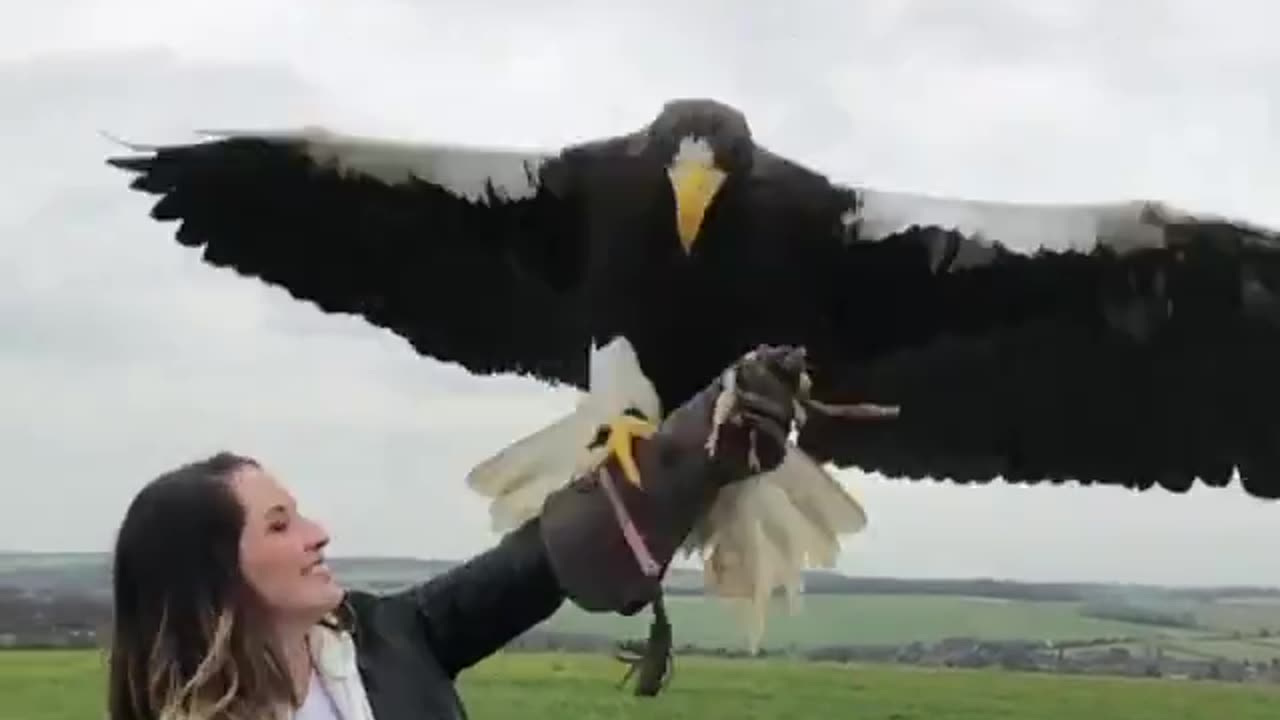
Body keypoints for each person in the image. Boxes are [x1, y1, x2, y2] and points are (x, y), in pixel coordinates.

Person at [105, 345, 808, 720]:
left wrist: (686, 461)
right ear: (215, 575)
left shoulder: (389, 640)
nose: (319, 535)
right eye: (281, 526)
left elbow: (535, 561)